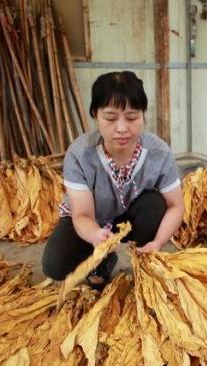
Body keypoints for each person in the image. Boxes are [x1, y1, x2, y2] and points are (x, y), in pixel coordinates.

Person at [42, 71, 184, 288]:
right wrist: (96, 236)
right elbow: (81, 214)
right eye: (110, 118)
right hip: (92, 222)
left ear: (143, 115)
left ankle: (144, 258)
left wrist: (158, 242)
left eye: (132, 117)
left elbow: (175, 206)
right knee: (55, 265)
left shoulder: (159, 152)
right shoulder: (80, 154)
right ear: (95, 115)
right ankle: (104, 259)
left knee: (155, 205)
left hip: (131, 216)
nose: (121, 128)